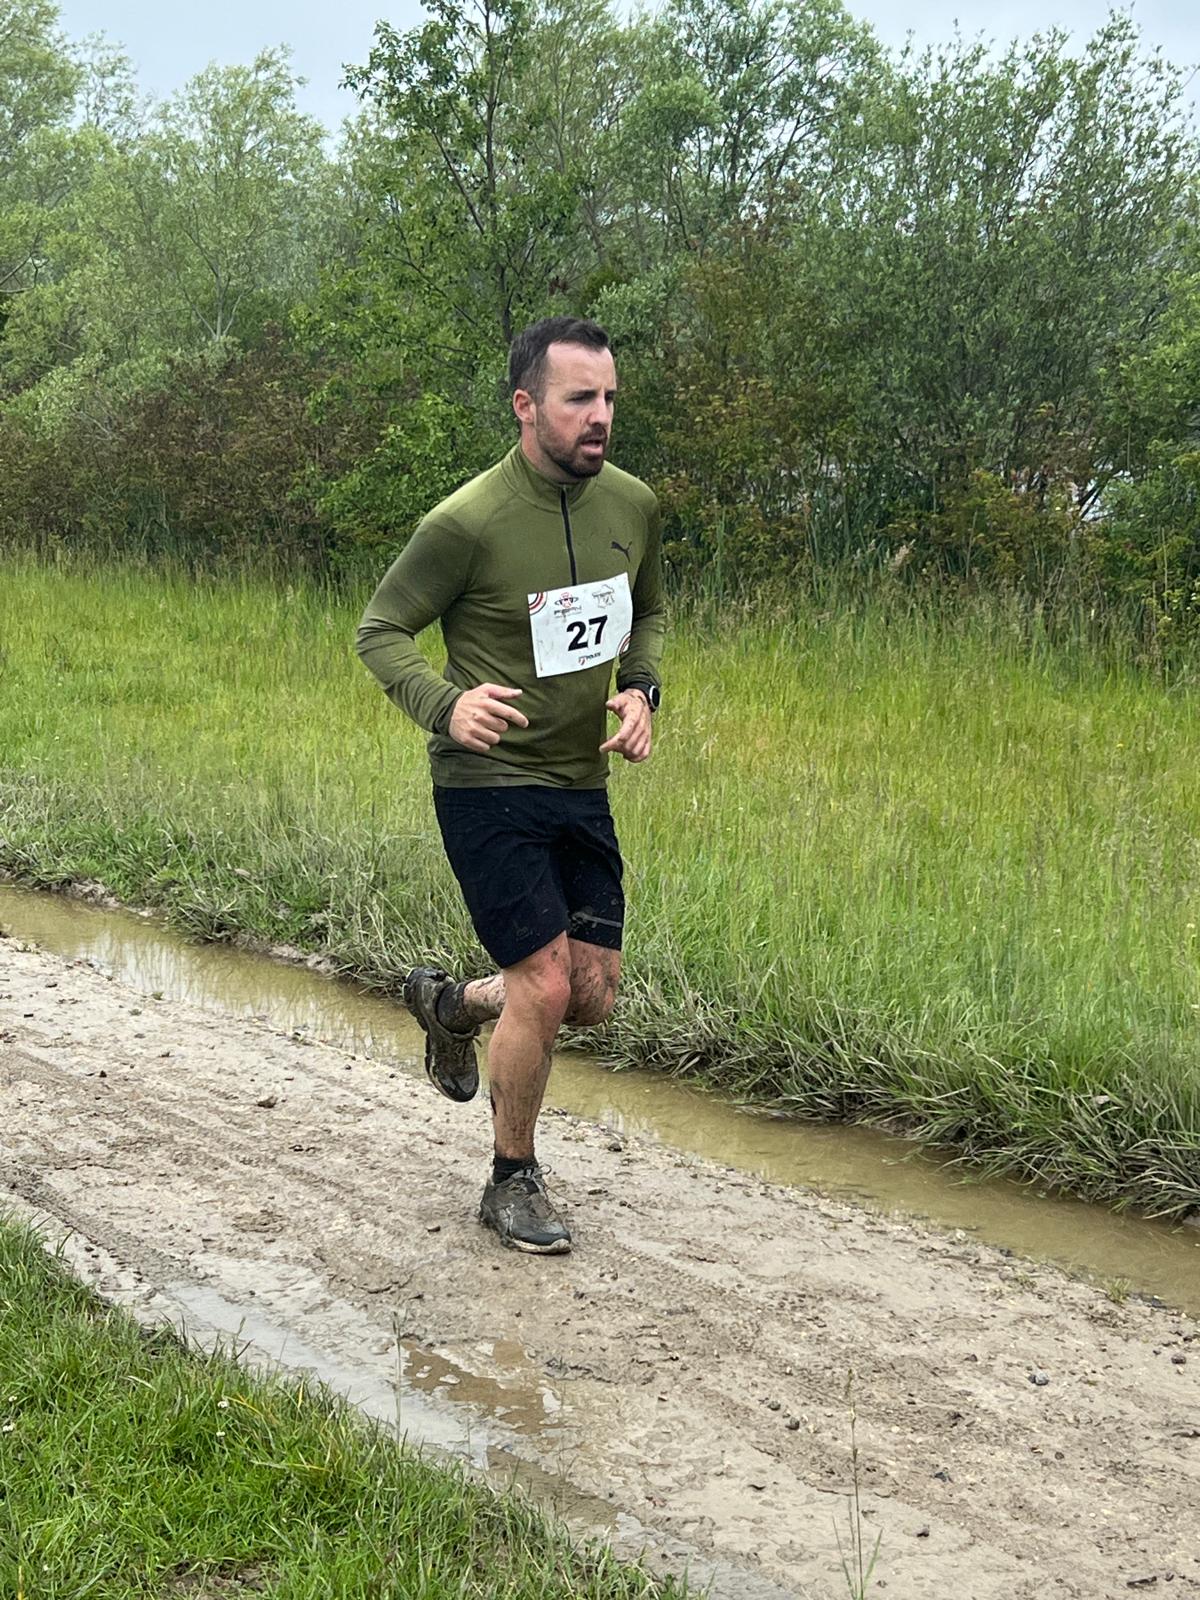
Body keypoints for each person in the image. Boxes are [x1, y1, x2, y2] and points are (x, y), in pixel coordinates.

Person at [356, 316, 664, 1255]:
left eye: (609, 398)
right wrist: (445, 706)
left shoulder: (633, 505)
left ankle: (451, 1006)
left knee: (591, 991)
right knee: (544, 979)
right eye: (579, 399)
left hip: (579, 780)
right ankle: (511, 1179)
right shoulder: (466, 522)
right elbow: (380, 631)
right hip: (485, 782)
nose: (599, 416)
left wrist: (642, 690)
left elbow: (648, 612)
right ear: (526, 405)